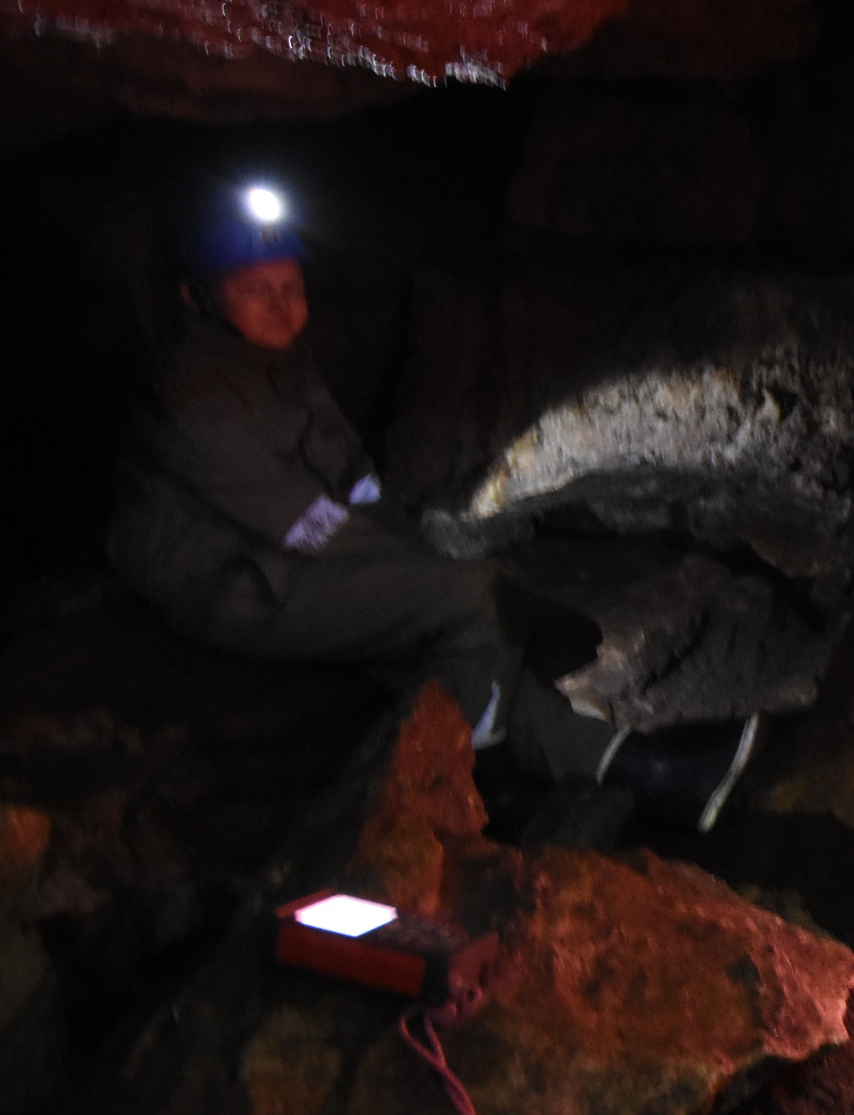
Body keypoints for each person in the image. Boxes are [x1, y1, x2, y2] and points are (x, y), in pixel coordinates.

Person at [108, 183, 756, 832]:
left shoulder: (278, 365)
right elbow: (304, 527)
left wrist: (407, 548)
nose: (282, 305)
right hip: (241, 584)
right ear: (198, 298)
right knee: (468, 600)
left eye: (291, 286)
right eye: (256, 289)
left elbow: (353, 478)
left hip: (293, 561)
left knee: (490, 630)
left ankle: (650, 771)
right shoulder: (196, 394)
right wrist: (416, 571)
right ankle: (479, 783)